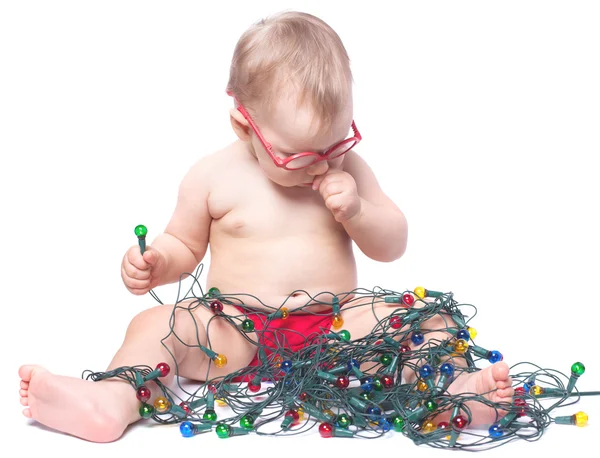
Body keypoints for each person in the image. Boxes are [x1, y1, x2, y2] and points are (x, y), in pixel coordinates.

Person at [18, 11, 512, 442]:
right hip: (235, 332)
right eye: (298, 154)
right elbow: (183, 244)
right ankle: (113, 399)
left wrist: (359, 211)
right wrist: (157, 262)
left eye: (334, 145)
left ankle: (454, 392)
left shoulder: (351, 170)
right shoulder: (213, 175)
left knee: (425, 317)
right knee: (159, 325)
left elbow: (393, 244)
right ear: (243, 124)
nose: (320, 166)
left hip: (336, 332)